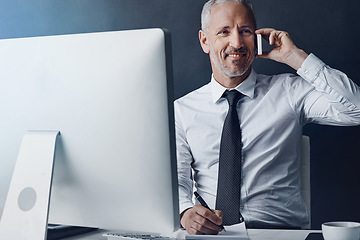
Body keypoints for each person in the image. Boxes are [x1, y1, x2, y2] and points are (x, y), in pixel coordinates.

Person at [174, 0, 360, 235]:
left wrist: (295, 57)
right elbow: (177, 180)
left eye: (245, 31)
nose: (237, 43)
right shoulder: (182, 109)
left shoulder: (289, 92)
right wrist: (185, 212)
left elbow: (356, 110)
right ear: (205, 41)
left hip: (281, 233)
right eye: (224, 31)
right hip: (214, 234)